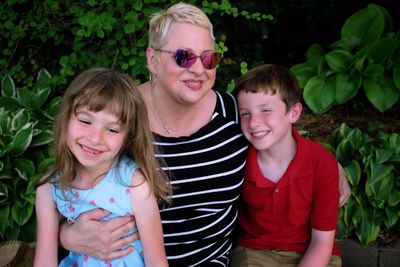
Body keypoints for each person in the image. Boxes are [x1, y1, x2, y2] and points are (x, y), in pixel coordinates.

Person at [57, 3, 351, 266]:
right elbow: (70, 181)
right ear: (152, 59)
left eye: (208, 59)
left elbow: (277, 133)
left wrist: (330, 165)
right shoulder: (120, 117)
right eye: (184, 57)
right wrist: (66, 235)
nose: (199, 69)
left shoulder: (234, 114)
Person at [33, 68, 170, 267]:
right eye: (85, 121)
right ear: (66, 118)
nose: (95, 138)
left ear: (128, 137)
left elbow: (156, 262)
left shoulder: (135, 185)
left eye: (112, 129)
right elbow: (45, 261)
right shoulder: (49, 189)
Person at [231, 64, 342, 267]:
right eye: (245, 113)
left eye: (265, 110)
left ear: (294, 112)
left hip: (313, 251)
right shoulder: (238, 160)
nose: (254, 122)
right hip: (256, 252)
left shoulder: (321, 163)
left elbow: (322, 242)